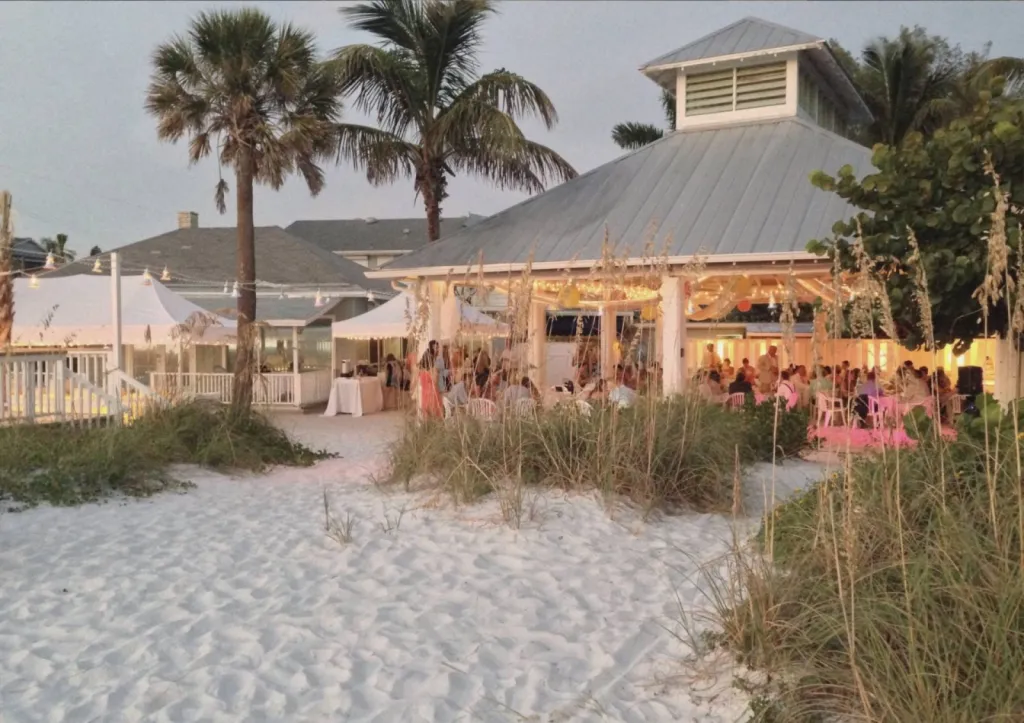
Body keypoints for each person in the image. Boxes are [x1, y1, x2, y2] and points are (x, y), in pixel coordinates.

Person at [418, 341, 442, 418]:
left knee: (426, 416)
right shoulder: (433, 368)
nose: (438, 349)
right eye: (436, 348)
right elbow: (435, 381)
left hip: (424, 394)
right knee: (435, 416)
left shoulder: (421, 370)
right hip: (433, 394)